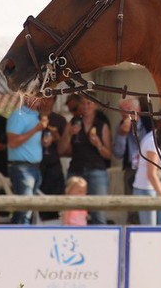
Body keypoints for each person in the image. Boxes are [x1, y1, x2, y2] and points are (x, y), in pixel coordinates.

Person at [59, 96, 112, 225]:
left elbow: (108, 154)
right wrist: (69, 134)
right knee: (71, 210)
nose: (86, 106)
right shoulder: (73, 122)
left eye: (89, 103)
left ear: (95, 105)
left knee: (98, 212)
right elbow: (61, 150)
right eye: (83, 103)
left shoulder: (101, 125)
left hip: (97, 171)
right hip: (76, 170)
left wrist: (98, 144)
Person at [6, 97, 46, 224]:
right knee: (25, 208)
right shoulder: (18, 115)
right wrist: (36, 129)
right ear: (25, 97)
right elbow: (12, 143)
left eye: (39, 95)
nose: (37, 99)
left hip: (34, 167)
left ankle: (18, 234)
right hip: (21, 167)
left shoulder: (37, 116)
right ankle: (18, 235)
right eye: (33, 95)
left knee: (26, 208)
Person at [131, 116, 161, 226]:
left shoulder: (157, 138)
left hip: (155, 189)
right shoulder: (152, 141)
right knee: (149, 231)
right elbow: (151, 174)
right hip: (146, 190)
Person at [112, 96, 148, 224]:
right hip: (131, 170)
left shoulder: (147, 124)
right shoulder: (120, 127)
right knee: (132, 207)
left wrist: (134, 129)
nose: (126, 114)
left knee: (149, 205)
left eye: (129, 109)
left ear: (138, 109)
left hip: (149, 170)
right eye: (123, 110)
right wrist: (122, 135)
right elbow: (117, 154)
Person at [38, 95, 67, 221]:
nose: (46, 102)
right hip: (36, 164)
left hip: (53, 165)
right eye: (43, 98)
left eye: (49, 99)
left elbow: (65, 149)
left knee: (54, 202)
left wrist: (57, 138)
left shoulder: (59, 120)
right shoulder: (32, 117)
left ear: (54, 101)